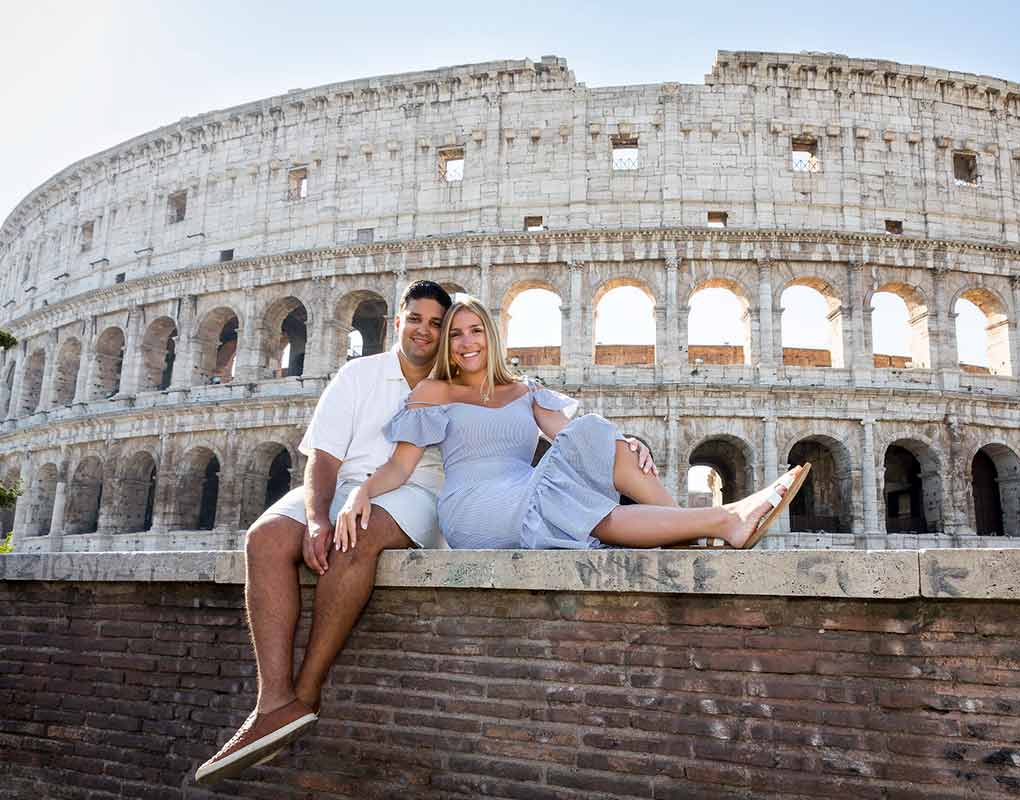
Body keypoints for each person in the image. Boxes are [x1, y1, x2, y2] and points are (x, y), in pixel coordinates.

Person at [195, 281, 657, 785]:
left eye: (439, 325)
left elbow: (552, 429)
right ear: (399, 320)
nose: (426, 331)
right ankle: (274, 701)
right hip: (350, 485)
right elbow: (323, 459)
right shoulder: (359, 375)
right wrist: (317, 517)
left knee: (358, 540)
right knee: (263, 539)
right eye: (417, 319)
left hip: (422, 493)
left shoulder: (463, 385)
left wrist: (621, 440)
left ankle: (306, 694)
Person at [334, 295, 807, 554]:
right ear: (447, 345)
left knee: (598, 432)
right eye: (455, 334)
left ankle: (684, 534)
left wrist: (626, 444)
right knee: (572, 500)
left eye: (475, 330)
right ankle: (721, 521)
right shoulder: (434, 392)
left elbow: (570, 436)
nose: (465, 342)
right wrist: (361, 492)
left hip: (527, 488)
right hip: (474, 508)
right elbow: (398, 469)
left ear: (491, 335)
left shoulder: (526, 390)